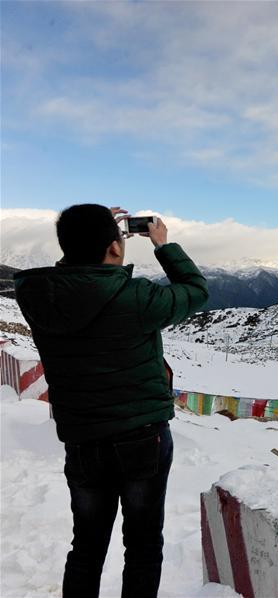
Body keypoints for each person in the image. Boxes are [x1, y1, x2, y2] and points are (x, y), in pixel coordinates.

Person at [14, 204, 208, 598]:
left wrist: (95, 232)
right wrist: (162, 245)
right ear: (116, 249)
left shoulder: (39, 297)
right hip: (142, 438)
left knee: (85, 546)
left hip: (82, 439)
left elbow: (77, 280)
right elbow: (195, 290)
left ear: (65, 246)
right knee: (142, 545)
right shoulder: (136, 297)